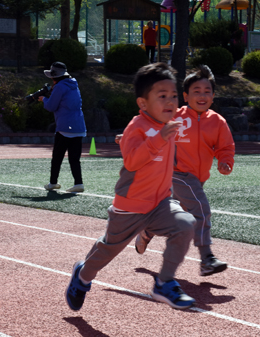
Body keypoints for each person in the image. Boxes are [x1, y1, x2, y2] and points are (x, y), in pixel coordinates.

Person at [65, 63, 196, 312]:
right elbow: (133, 161)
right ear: (143, 103)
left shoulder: (170, 122)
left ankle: (164, 282)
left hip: (159, 203)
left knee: (186, 225)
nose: (170, 102)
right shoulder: (137, 128)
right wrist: (159, 139)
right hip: (130, 206)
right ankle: (82, 276)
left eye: (173, 96)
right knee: (106, 252)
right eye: (162, 96)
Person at [134, 64, 235, 277]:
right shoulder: (174, 117)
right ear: (186, 96)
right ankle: (207, 258)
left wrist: (225, 162)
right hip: (176, 174)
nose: (202, 95)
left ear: (213, 96)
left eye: (207, 91)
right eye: (196, 91)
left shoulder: (218, 122)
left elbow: (225, 147)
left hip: (198, 179)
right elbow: (150, 124)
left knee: (180, 217)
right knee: (200, 209)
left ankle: (148, 229)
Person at [38, 61, 87, 193]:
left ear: (54, 77)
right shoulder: (74, 84)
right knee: (74, 158)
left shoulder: (59, 87)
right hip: (79, 126)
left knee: (57, 157)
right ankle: (79, 183)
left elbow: (51, 106)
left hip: (65, 127)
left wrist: (43, 99)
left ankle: (53, 182)